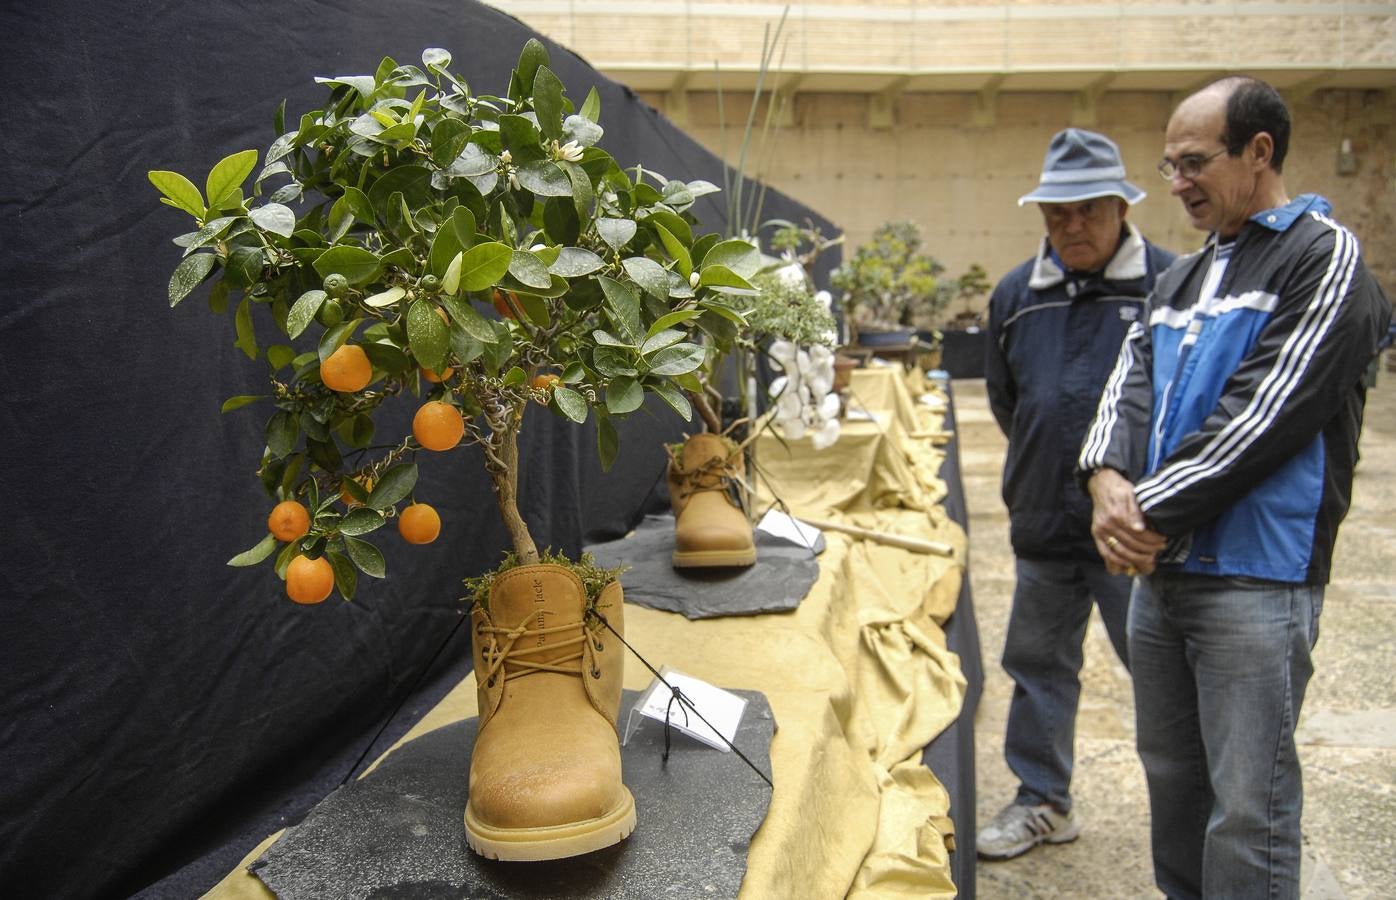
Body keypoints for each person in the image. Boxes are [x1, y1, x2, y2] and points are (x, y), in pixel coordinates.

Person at [1078, 76, 1391, 899]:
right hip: (1164, 579)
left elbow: (1266, 415)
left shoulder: (1322, 257)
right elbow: (1128, 381)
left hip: (1256, 578)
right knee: (1174, 784)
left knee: (1250, 808)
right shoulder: (1181, 277)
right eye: (1168, 165)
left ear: (1259, 153)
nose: (1176, 183)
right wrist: (1106, 476)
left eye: (1192, 163)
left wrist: (1140, 512)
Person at [979, 128, 1175, 860]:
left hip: (1137, 531)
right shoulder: (1015, 296)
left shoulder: (1169, 283)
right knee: (1036, 666)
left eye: (1089, 210)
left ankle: (1196, 805)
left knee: (1163, 669)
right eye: (1057, 213)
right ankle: (1043, 800)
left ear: (1122, 206)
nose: (1072, 227)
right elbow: (1009, 401)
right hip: (1043, 521)